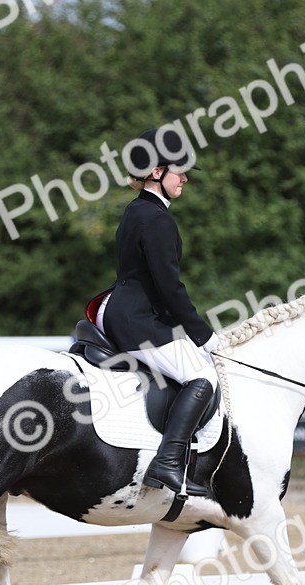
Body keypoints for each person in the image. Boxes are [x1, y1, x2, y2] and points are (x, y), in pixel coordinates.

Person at [85, 127, 220, 497]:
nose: (186, 178)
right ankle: (169, 462)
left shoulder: (136, 211)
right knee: (202, 378)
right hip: (138, 321)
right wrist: (203, 335)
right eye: (181, 170)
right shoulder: (158, 219)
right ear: (158, 172)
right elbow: (169, 288)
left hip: (122, 310)